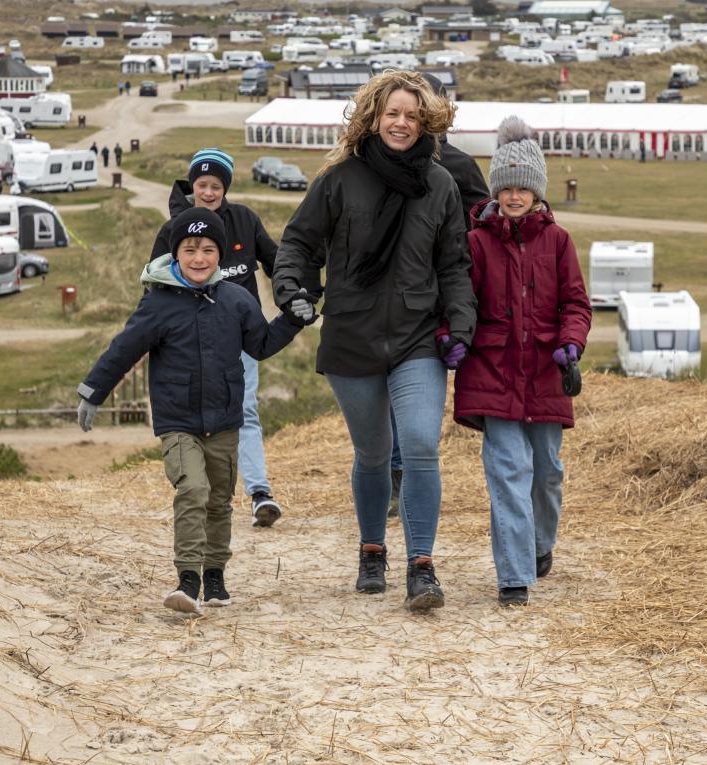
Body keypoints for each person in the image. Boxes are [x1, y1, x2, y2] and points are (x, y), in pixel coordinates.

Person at [271, 70, 476, 612]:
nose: (401, 123)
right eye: (392, 113)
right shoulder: (340, 180)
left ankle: (422, 567)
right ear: (374, 117)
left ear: (425, 119)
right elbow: (298, 242)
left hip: (416, 340)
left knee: (420, 447)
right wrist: (292, 289)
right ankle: (372, 551)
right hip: (352, 335)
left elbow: (455, 265)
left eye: (411, 114)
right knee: (372, 454)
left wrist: (460, 325)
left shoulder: (441, 185)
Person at [76, 208, 305, 615]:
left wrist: (292, 320)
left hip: (225, 421)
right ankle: (187, 579)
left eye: (207, 250)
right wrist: (93, 392)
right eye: (189, 249)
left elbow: (261, 346)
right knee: (193, 491)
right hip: (178, 421)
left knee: (219, 500)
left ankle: (215, 575)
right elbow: (123, 349)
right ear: (175, 253)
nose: (199, 258)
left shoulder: (236, 299)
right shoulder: (158, 303)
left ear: (220, 254)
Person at [454, 116, 591, 607]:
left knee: (547, 470)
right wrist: (451, 337)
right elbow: (459, 303)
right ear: (496, 190)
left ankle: (539, 546)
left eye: (522, 188)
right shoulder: (476, 242)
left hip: (545, 374)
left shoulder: (558, 242)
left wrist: (571, 343)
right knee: (508, 470)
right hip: (492, 373)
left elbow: (576, 303)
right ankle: (513, 575)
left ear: (537, 192)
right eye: (506, 187)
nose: (513, 196)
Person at [150, 148, 286, 528]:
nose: (208, 192)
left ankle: (260, 493)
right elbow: (153, 286)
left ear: (226, 187)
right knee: (196, 419)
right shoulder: (173, 229)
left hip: (240, 339)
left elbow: (277, 264)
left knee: (244, 410)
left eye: (216, 186)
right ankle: (202, 492)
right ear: (192, 185)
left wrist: (296, 296)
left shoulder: (244, 220)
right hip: (188, 341)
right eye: (201, 185)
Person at [382, 74, 492, 519]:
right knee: (388, 397)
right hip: (386, 300)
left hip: (437, 301)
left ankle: (408, 473)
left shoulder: (459, 166)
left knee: (415, 401)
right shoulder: (380, 161)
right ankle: (394, 476)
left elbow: (482, 230)